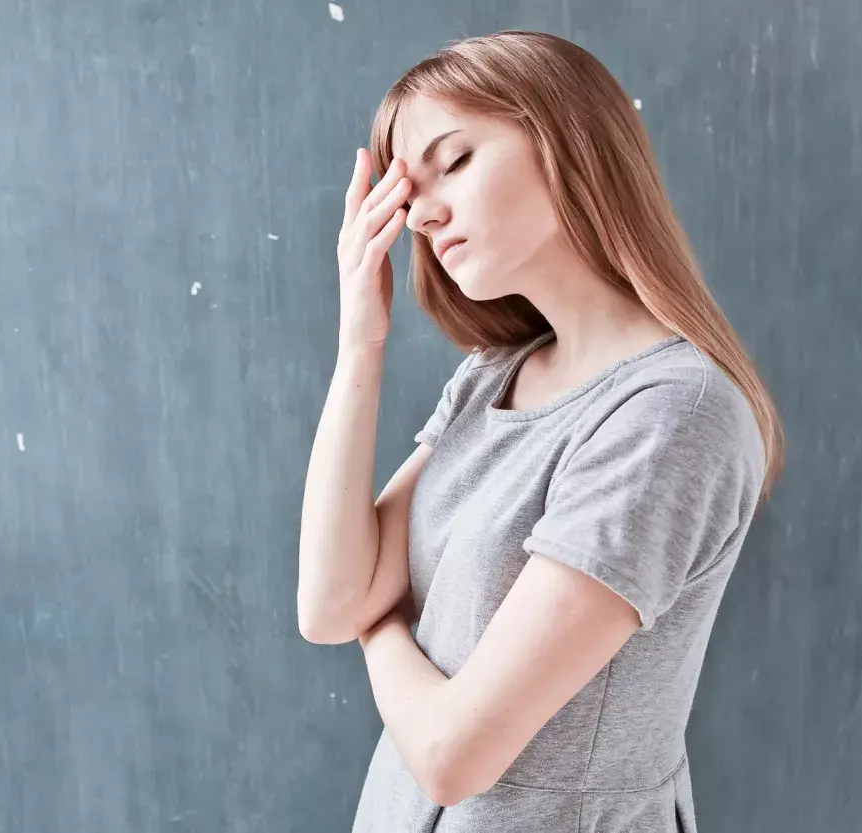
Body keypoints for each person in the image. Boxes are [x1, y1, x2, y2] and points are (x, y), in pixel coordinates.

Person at [296, 30, 785, 833]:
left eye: (454, 160)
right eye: (409, 195)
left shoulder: (672, 414)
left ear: (567, 141)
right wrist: (360, 341)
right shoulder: (495, 374)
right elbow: (328, 604)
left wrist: (378, 626)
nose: (424, 212)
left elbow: (454, 754)